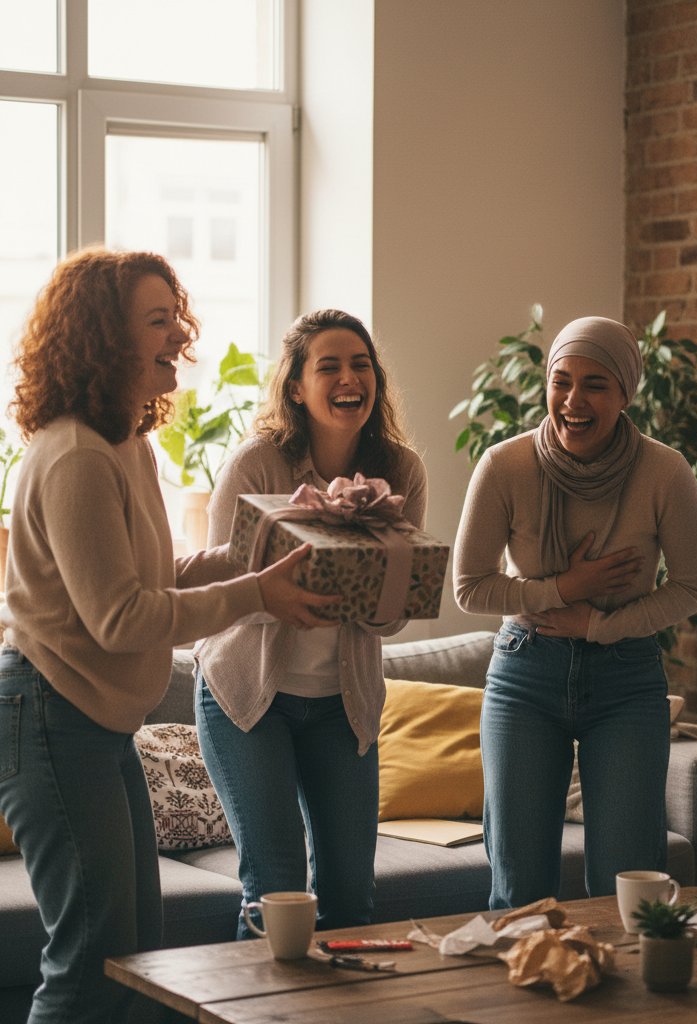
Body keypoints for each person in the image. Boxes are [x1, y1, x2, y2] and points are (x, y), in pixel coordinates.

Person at [0, 247, 338, 1024]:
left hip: (94, 725)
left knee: (137, 960)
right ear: (104, 338)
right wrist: (255, 594)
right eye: (158, 320)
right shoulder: (78, 455)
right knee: (91, 960)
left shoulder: (124, 442)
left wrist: (252, 551)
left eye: (174, 315)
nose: (178, 334)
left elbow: (154, 573)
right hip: (51, 722)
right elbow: (120, 619)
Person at [453, 315, 697, 909]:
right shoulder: (504, 464)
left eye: (596, 384)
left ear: (626, 393)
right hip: (525, 674)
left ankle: (627, 1001)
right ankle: (528, 998)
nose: (573, 400)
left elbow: (694, 587)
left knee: (630, 886)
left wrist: (599, 625)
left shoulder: (665, 472)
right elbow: (469, 587)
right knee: (519, 888)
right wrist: (565, 587)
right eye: (561, 380)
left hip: (626, 678)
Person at [194, 309, 426, 935]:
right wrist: (281, 595)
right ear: (296, 386)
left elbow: (393, 619)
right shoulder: (255, 466)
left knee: (351, 898)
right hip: (248, 698)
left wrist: (367, 592)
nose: (350, 378)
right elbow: (220, 586)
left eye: (361, 364)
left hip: (341, 707)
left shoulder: (402, 472)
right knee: (275, 891)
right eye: (329, 366)